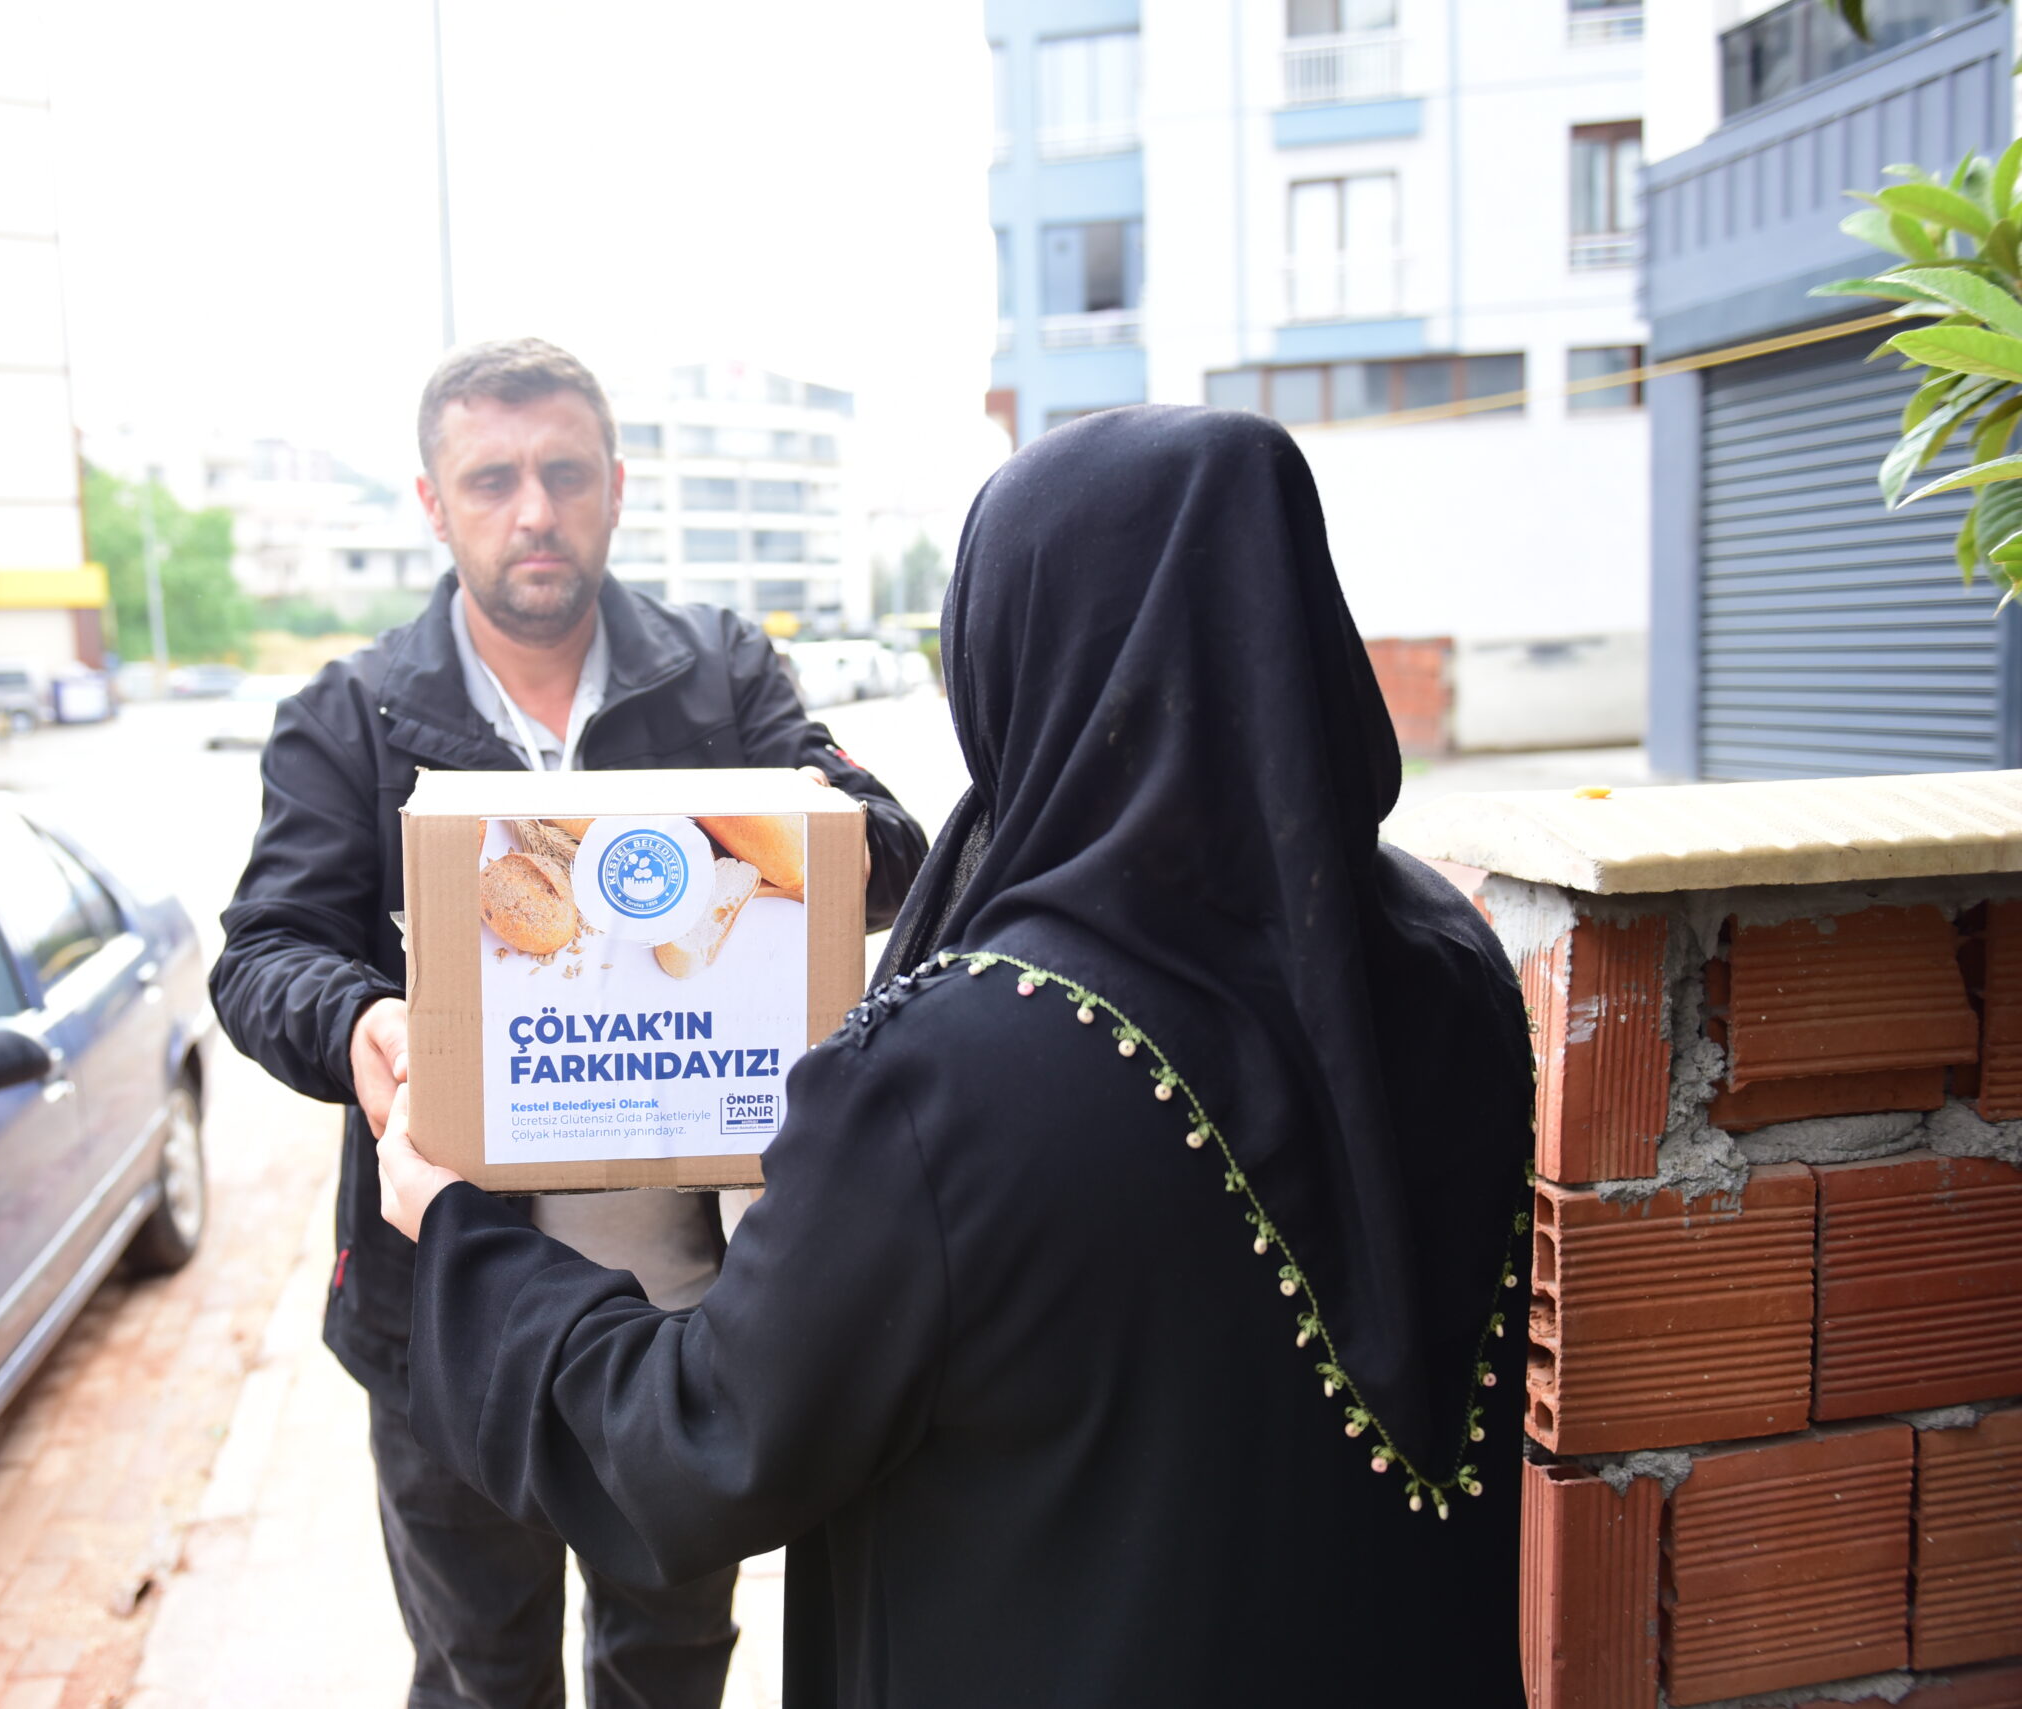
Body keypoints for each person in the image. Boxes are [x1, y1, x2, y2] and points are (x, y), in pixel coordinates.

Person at [376, 406, 1537, 1707]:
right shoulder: (1450, 962)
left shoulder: (946, 1077)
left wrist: (460, 1234)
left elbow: (704, 1444)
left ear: (1010, 652)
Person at [211, 336, 928, 1709]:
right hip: (442, 1317)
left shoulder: (720, 676)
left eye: (565, 473)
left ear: (616, 486)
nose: (533, 510)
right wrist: (363, 1019)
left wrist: (729, 835)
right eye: (492, 480)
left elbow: (886, 849)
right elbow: (264, 952)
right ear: (434, 504)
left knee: (669, 1665)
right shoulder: (349, 716)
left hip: (681, 1324)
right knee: (481, 1674)